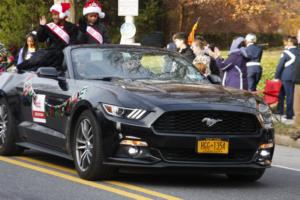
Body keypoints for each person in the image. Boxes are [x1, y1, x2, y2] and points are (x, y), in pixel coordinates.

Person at [275, 36, 298, 122]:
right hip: (296, 76)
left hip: (286, 77)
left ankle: (289, 115)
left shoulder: (287, 52)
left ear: (290, 42)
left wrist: (276, 77)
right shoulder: (298, 51)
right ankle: (280, 110)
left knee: (289, 96)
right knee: (283, 94)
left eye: (288, 41)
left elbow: (280, 65)